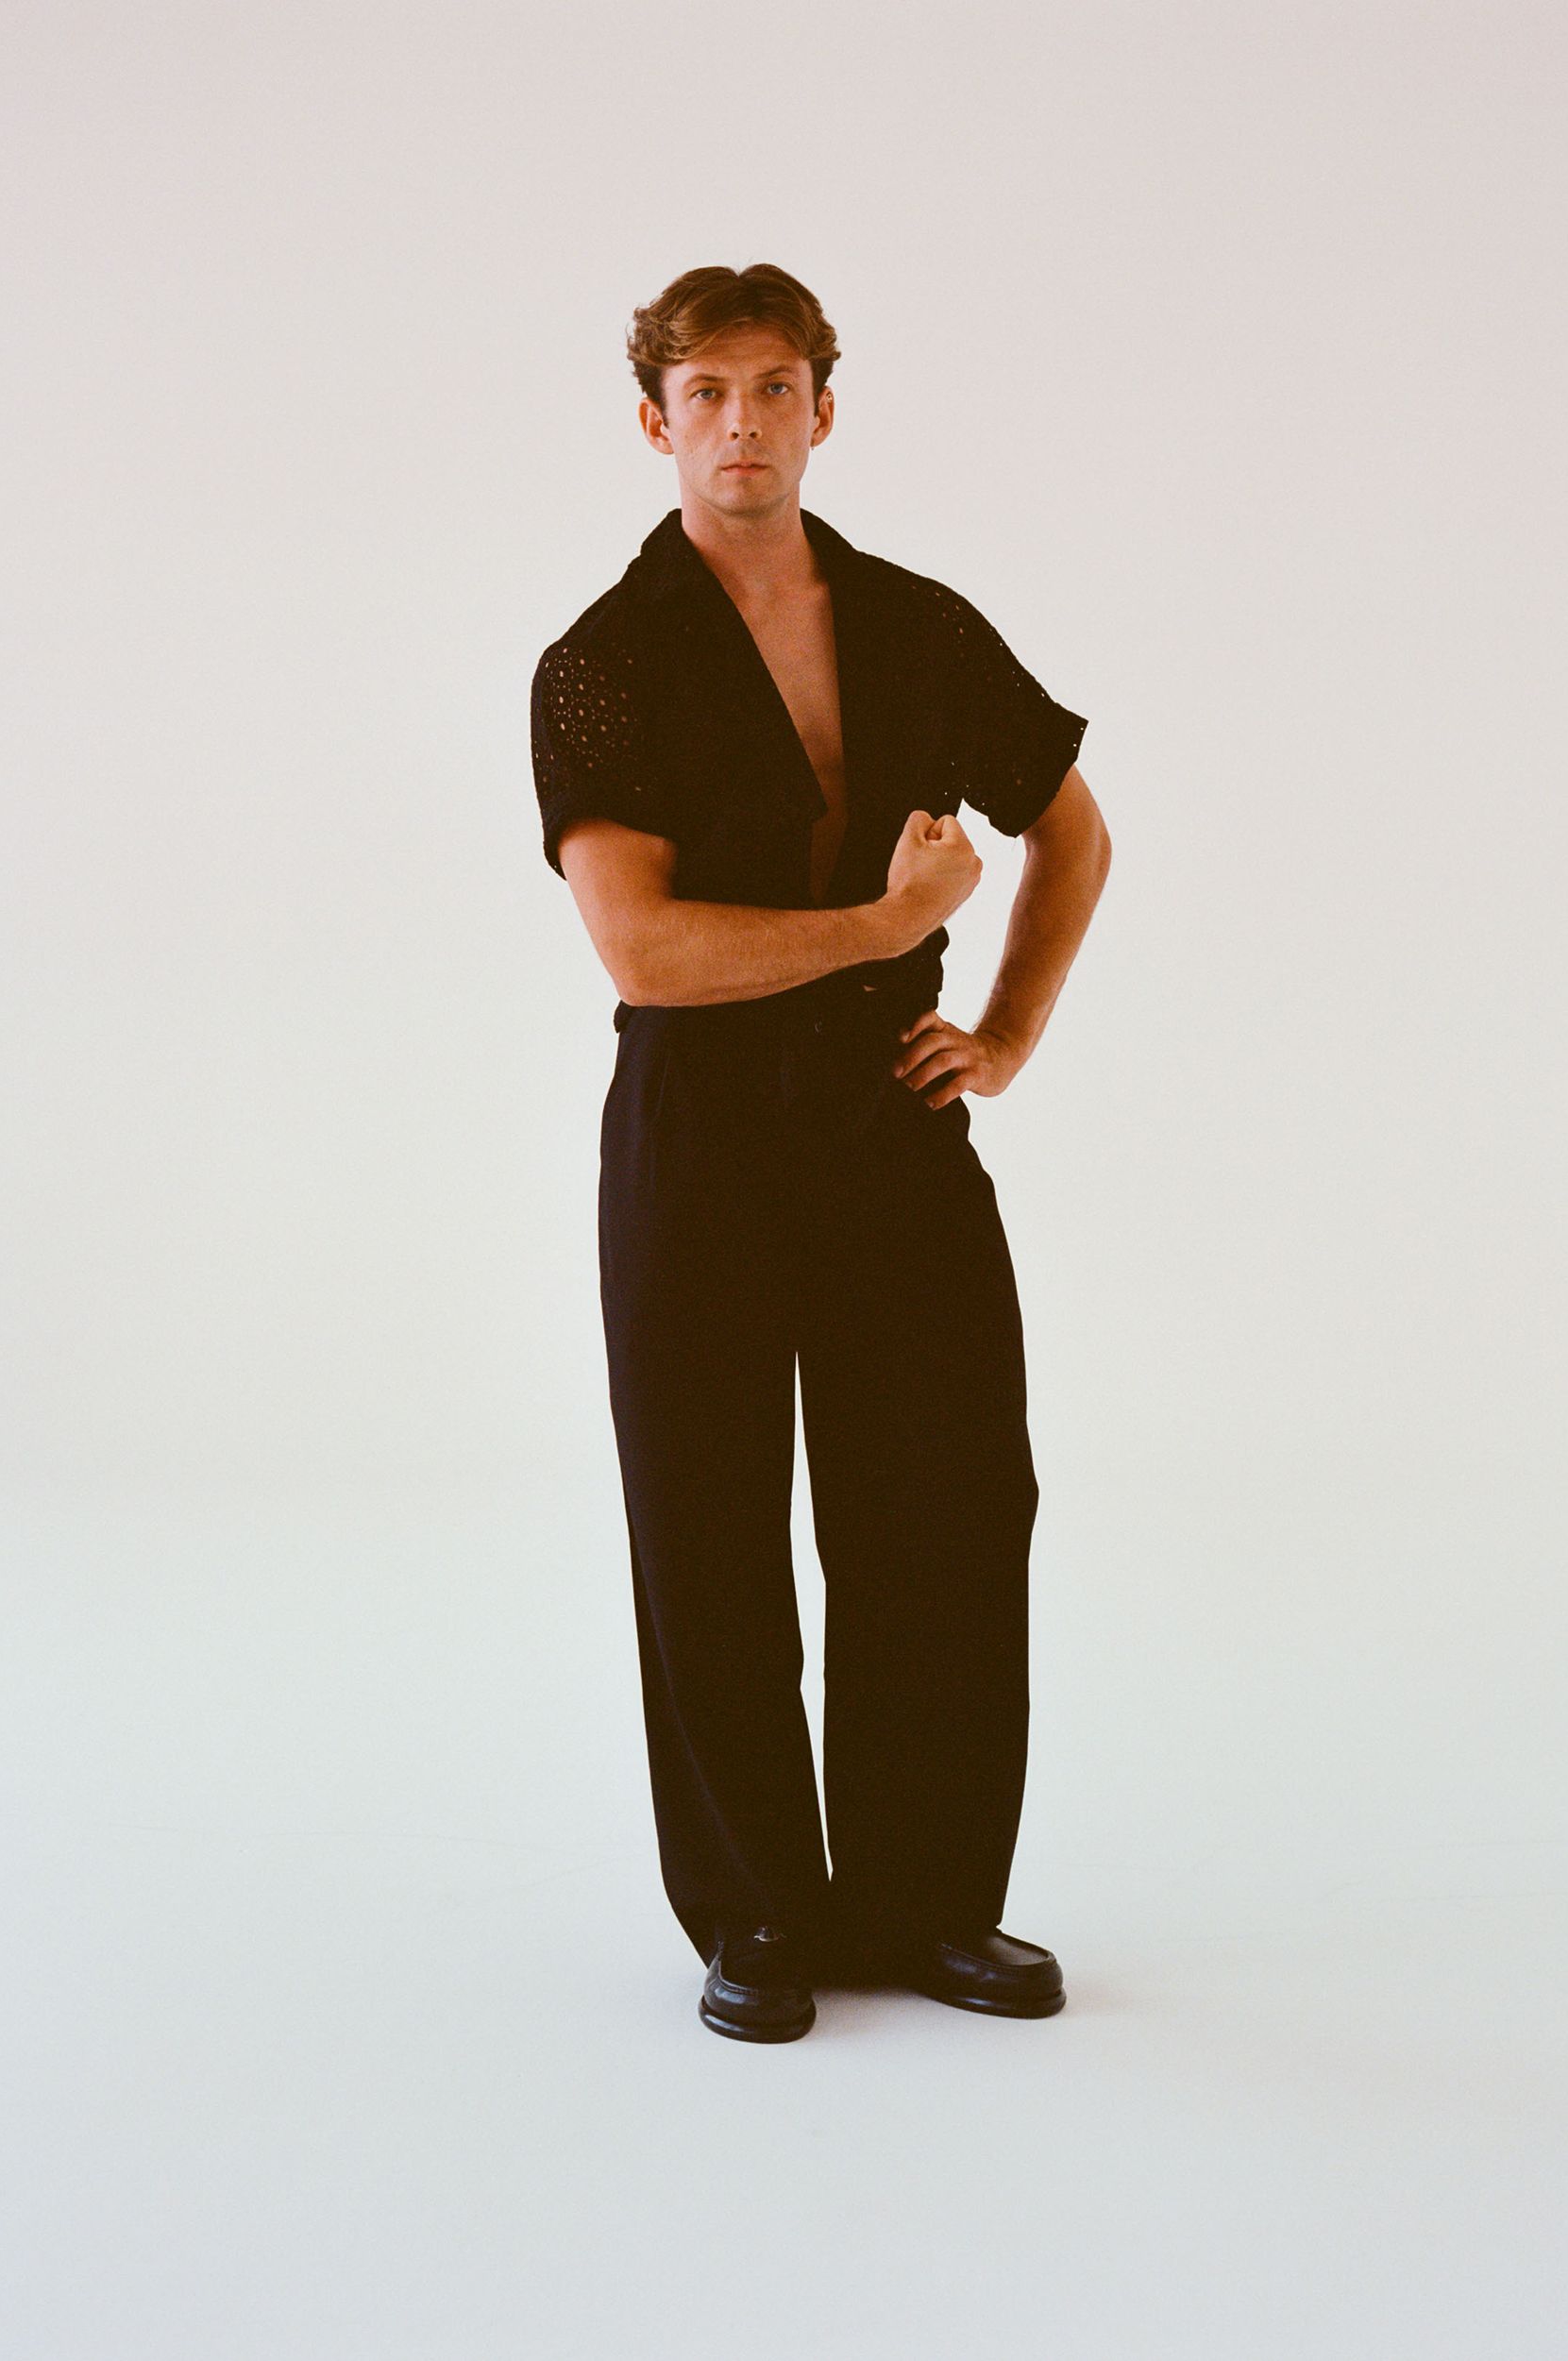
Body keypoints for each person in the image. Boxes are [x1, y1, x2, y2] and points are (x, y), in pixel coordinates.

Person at [529, 262, 1112, 2042]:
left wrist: (1002, 1033)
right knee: (707, 1520)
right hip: (699, 1134)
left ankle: (932, 1902)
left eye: (774, 389)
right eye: (706, 394)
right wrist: (885, 928)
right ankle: (759, 1915)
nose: (742, 424)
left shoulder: (920, 625)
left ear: (822, 412)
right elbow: (643, 949)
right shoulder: (601, 665)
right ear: (656, 422)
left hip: (891, 1119)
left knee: (949, 1502)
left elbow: (1074, 829)